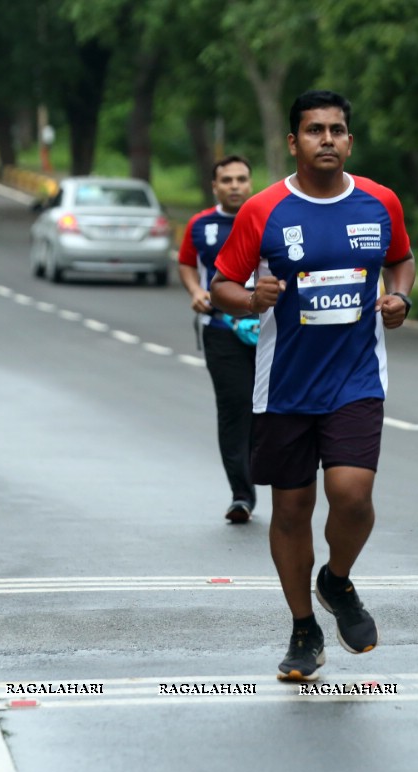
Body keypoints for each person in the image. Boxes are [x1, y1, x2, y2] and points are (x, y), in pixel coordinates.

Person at [210, 90, 416, 681]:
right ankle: (303, 627)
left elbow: (401, 259)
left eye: (337, 129)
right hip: (284, 385)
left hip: (356, 379)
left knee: (352, 496)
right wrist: (251, 297)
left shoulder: (380, 202)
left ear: (350, 140)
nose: (327, 138)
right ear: (293, 142)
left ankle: (337, 579)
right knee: (293, 508)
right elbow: (223, 282)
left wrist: (400, 295)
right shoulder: (264, 210)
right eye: (314, 130)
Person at [178, 155, 258, 524]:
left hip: (270, 329)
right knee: (234, 407)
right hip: (221, 329)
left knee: (271, 409)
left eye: (241, 179)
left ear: (251, 182)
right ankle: (241, 494)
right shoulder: (201, 225)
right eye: (226, 180)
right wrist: (195, 289)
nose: (235, 186)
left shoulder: (269, 218)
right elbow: (186, 262)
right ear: (215, 186)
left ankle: (267, 469)